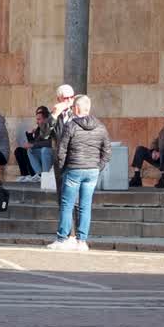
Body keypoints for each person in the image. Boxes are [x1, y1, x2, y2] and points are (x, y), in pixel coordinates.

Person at [49, 95, 111, 252]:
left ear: (76, 109)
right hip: (92, 171)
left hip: (74, 169)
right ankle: (82, 241)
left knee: (67, 205)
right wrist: (98, 167)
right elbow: (107, 151)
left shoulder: (71, 126)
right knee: (85, 206)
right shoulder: (101, 127)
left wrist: (63, 169)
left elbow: (61, 150)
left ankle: (62, 238)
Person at [130, 108, 164, 188]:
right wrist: (154, 150)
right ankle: (137, 177)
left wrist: (161, 152)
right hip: (161, 156)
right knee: (140, 150)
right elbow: (155, 141)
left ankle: (163, 179)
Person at [49, 84, 76, 195]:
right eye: (66, 98)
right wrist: (55, 115)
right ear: (59, 99)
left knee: (76, 195)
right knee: (62, 193)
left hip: (76, 158)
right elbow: (44, 134)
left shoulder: (77, 112)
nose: (69, 100)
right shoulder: (54, 115)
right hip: (60, 159)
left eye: (72, 97)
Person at [13, 106, 53, 182]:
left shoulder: (51, 126)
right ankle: (39, 175)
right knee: (25, 150)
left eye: (39, 119)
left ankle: (45, 176)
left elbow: (51, 142)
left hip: (52, 152)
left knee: (44, 150)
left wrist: (33, 144)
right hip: (42, 151)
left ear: (45, 119)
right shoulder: (39, 128)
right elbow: (35, 142)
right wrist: (30, 136)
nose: (37, 121)